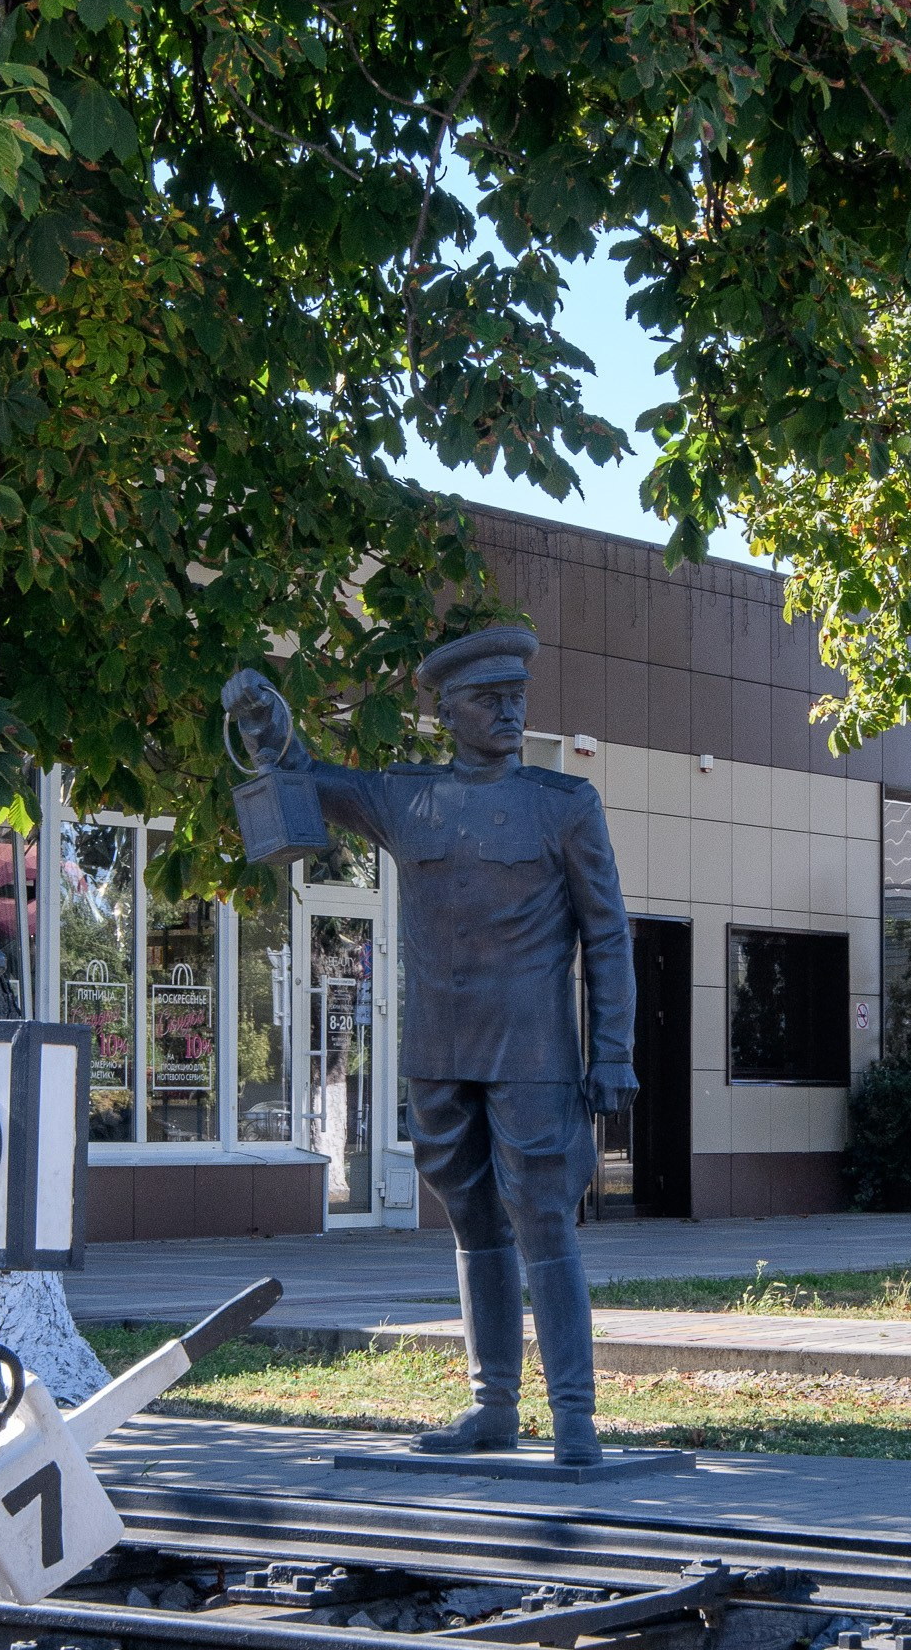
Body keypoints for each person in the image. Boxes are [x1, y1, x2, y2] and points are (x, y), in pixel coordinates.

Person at [223, 627, 635, 1464]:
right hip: (439, 1049)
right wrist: (265, 718)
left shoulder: (564, 805)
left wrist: (614, 1051)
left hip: (535, 1055)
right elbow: (306, 777)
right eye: (490, 701)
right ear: (447, 713)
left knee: (545, 1222)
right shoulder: (405, 799)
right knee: (474, 1224)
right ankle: (493, 1407)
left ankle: (575, 1416)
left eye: (517, 697)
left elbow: (610, 934)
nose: (511, 712)